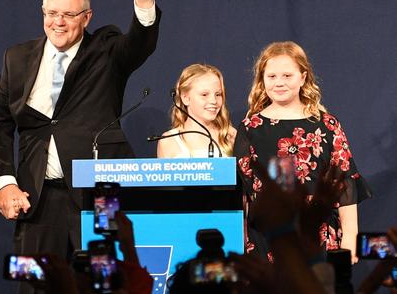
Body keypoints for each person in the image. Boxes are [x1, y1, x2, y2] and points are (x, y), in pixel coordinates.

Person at [0, 0, 160, 276]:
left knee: (102, 283)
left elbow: (139, 45)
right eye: (51, 13)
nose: (58, 22)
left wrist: (144, 0)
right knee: (33, 283)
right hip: (36, 198)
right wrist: (5, 181)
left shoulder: (106, 49)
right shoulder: (17, 58)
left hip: (100, 196)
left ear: (87, 17)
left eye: (68, 14)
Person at [233, 41, 371, 262]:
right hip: (268, 239)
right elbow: (243, 192)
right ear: (262, 79)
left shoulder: (327, 125)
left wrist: (351, 238)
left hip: (320, 234)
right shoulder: (250, 127)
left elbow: (345, 182)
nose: (279, 83)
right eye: (272, 76)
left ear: (303, 77)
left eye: (287, 76)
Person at [157, 64, 236, 158]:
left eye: (218, 94)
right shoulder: (169, 141)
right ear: (185, 98)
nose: (214, 101)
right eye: (204, 94)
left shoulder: (230, 135)